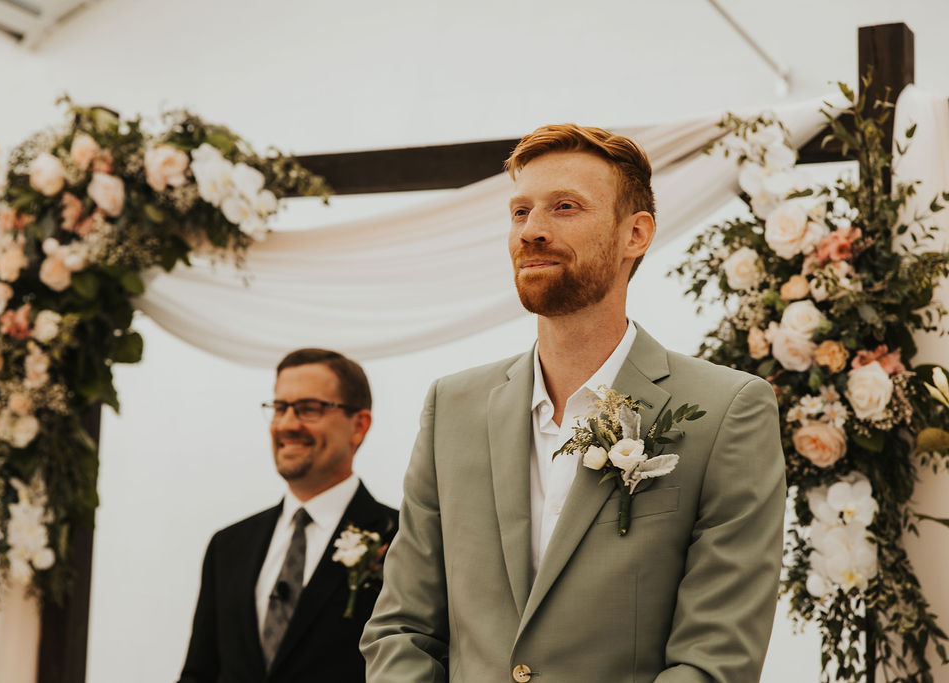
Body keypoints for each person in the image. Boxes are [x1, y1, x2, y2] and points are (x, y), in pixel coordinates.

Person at [361, 124, 786, 682]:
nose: (532, 231)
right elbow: (402, 631)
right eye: (519, 212)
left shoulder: (727, 409)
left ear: (636, 234)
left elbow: (714, 660)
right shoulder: (452, 408)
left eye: (565, 207)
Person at [179, 348, 398, 683]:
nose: (287, 424)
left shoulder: (402, 538)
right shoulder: (228, 546)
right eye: (280, 408)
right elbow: (200, 673)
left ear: (359, 425)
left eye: (309, 409)